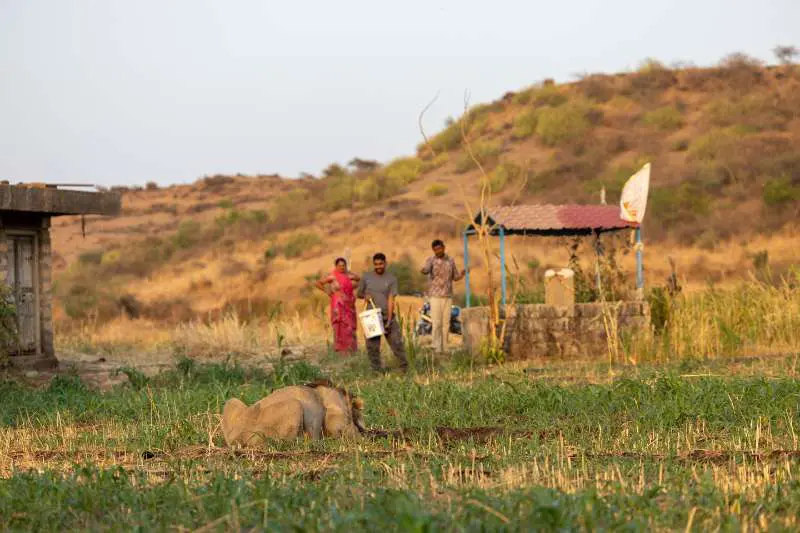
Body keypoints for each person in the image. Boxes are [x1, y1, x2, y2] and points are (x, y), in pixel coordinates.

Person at [356, 253, 409, 373]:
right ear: (373, 264)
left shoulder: (391, 279)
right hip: (372, 318)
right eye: (376, 264)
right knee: (372, 347)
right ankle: (376, 371)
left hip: (387, 316)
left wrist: (389, 319)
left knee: (397, 343)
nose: (378, 266)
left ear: (385, 263)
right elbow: (359, 294)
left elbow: (391, 299)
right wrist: (365, 295)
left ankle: (404, 369)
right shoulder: (366, 277)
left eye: (380, 264)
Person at [421, 239, 465, 353]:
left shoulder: (450, 260)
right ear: (433, 250)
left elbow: (455, 277)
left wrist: (462, 274)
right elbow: (426, 269)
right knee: (436, 322)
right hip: (435, 296)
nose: (438, 251)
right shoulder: (431, 260)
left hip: (448, 295)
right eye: (435, 249)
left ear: (444, 248)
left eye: (439, 248)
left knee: (446, 323)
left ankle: (445, 347)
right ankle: (436, 346)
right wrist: (423, 270)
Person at [315, 258, 360, 354]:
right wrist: (327, 291)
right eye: (340, 265)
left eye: (344, 265)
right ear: (336, 266)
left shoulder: (349, 275)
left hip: (349, 304)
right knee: (339, 325)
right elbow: (318, 283)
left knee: (350, 326)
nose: (342, 267)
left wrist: (350, 274)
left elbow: (359, 279)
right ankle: (341, 350)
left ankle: (351, 349)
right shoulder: (332, 276)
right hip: (338, 304)